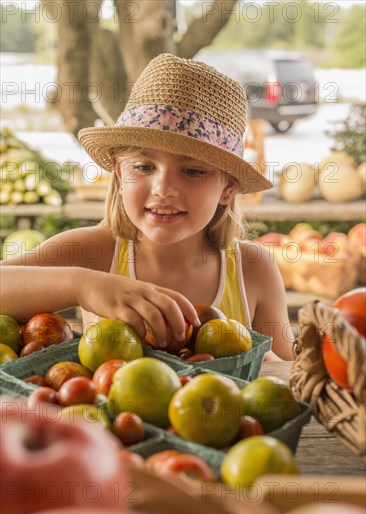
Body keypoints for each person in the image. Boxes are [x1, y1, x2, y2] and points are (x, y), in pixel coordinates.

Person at [1, 54, 293, 360]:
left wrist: (259, 360)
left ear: (228, 188)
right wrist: (82, 285)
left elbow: (290, 378)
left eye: (192, 171)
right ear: (118, 170)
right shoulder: (92, 253)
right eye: (143, 166)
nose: (163, 188)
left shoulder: (253, 268)